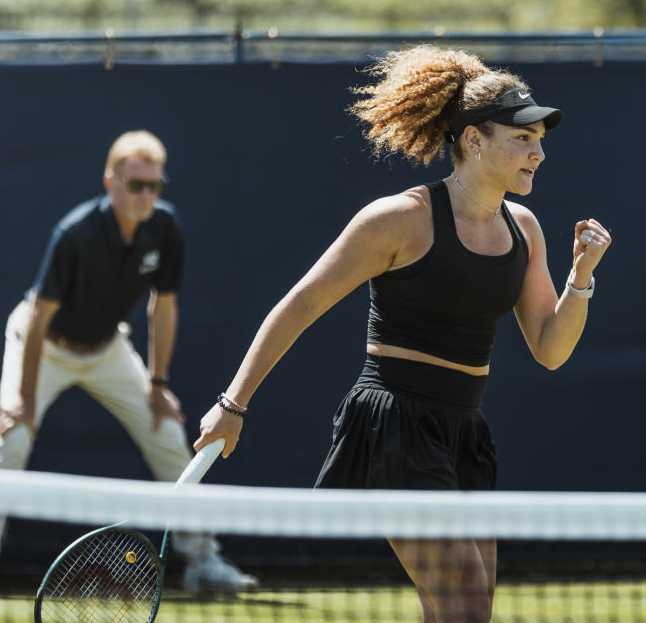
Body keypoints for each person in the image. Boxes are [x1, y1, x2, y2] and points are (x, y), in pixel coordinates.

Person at [192, 45, 610, 623]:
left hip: (466, 433)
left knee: (469, 609)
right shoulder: (397, 219)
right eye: (521, 138)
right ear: (473, 140)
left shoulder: (527, 230)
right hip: (395, 428)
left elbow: (551, 349)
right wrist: (231, 404)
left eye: (540, 139)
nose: (538, 152)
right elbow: (300, 305)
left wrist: (580, 277)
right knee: (463, 598)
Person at [0, 130, 257, 596]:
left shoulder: (165, 227)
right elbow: (37, 317)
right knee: (10, 439)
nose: (147, 195)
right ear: (111, 182)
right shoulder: (74, 233)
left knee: (170, 435)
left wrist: (157, 383)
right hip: (43, 344)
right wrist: (24, 398)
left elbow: (164, 306)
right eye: (137, 185)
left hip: (108, 348)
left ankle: (202, 560)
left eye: (156, 186)